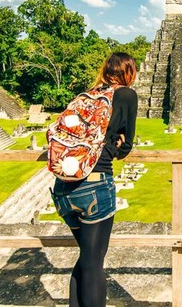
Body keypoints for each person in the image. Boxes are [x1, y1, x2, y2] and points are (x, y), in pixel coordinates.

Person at [50, 52, 138, 307]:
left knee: (86, 260)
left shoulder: (85, 96)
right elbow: (126, 146)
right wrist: (118, 145)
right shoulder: (125, 95)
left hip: (63, 187)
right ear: (128, 73)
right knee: (94, 264)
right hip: (95, 185)